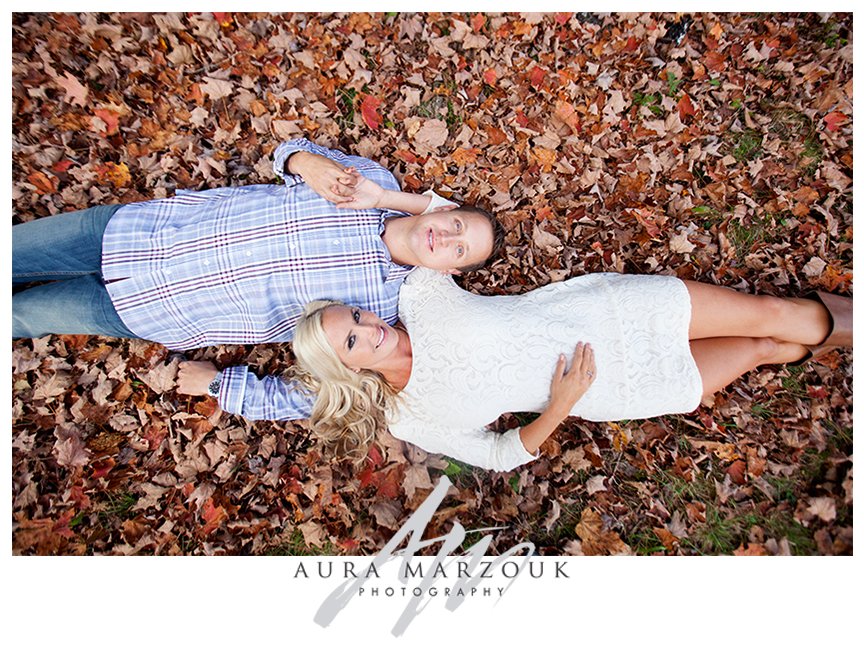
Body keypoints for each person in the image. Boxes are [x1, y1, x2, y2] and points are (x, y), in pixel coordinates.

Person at [182, 266, 850, 472]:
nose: (370, 329)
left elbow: (434, 225)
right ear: (349, 371)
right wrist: (559, 406)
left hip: (614, 313)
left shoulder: (419, 295)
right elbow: (501, 455)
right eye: (354, 342)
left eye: (354, 319)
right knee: (764, 351)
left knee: (767, 313)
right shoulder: (416, 417)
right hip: (613, 387)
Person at [13, 138, 503, 418]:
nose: (446, 238)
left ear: (452, 271)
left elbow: (323, 396)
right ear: (445, 208)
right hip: (135, 232)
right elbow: (286, 154)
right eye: (456, 224)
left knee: (22, 315)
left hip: (154, 308)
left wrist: (221, 387)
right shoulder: (373, 182)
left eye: (460, 251)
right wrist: (305, 162)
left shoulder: (383, 312)